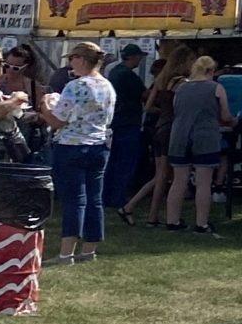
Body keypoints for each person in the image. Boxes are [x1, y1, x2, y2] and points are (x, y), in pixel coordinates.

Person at [41, 42, 117, 265]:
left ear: (81, 60)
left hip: (72, 146)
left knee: (74, 201)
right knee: (95, 199)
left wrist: (45, 106)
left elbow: (57, 120)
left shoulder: (75, 86)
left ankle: (66, 253)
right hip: (99, 146)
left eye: (72, 58)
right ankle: (89, 250)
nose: (69, 63)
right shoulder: (107, 86)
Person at [118, 46, 192, 226]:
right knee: (163, 176)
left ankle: (143, 212)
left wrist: (163, 111)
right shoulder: (182, 83)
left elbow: (148, 107)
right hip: (171, 129)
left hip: (158, 128)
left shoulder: (161, 80)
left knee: (161, 174)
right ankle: (139, 210)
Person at [163, 54, 230, 234]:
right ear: (210, 71)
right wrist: (233, 121)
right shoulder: (216, 88)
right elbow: (225, 116)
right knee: (203, 182)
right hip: (204, 137)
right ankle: (201, 223)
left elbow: (177, 110)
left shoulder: (181, 88)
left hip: (179, 136)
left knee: (178, 181)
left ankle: (172, 221)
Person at [103, 45, 147, 210]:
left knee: (111, 162)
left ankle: (106, 195)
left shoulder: (114, 72)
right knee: (125, 163)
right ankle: (119, 197)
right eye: (139, 57)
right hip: (128, 122)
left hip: (114, 122)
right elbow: (145, 95)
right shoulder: (129, 76)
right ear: (133, 57)